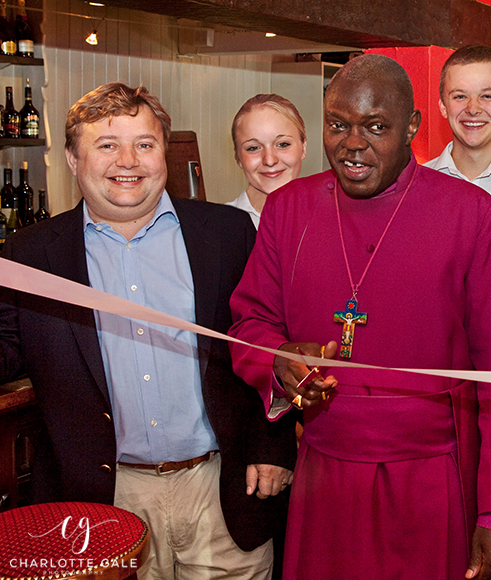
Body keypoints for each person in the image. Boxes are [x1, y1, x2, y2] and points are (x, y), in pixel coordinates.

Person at [229, 54, 491, 580]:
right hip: (325, 478)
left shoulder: (470, 214)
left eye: (375, 127)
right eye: (338, 125)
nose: (352, 144)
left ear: (412, 126)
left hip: (431, 481)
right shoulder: (288, 210)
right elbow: (249, 324)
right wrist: (279, 363)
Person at [0, 83, 295, 579]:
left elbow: (268, 339)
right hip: (103, 497)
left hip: (222, 490)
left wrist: (274, 445)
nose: (128, 160)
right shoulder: (29, 256)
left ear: (165, 152)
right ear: (73, 159)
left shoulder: (227, 234)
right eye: (107, 145)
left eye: (144, 143)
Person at [425, 44, 491, 193]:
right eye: (460, 96)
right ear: (443, 107)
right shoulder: (414, 187)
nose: (473, 109)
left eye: (487, 96)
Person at [226, 94, 307, 229]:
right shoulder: (217, 227)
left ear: (303, 148)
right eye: (253, 148)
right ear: (238, 157)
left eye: (282, 144)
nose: (269, 160)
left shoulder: (330, 222)